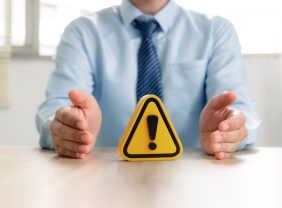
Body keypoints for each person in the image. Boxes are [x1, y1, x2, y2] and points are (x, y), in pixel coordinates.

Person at [36, 0, 261, 160]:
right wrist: (69, 128)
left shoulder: (215, 31)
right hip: (105, 175)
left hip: (194, 177)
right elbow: (56, 106)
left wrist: (227, 131)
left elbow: (242, 113)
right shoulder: (82, 31)